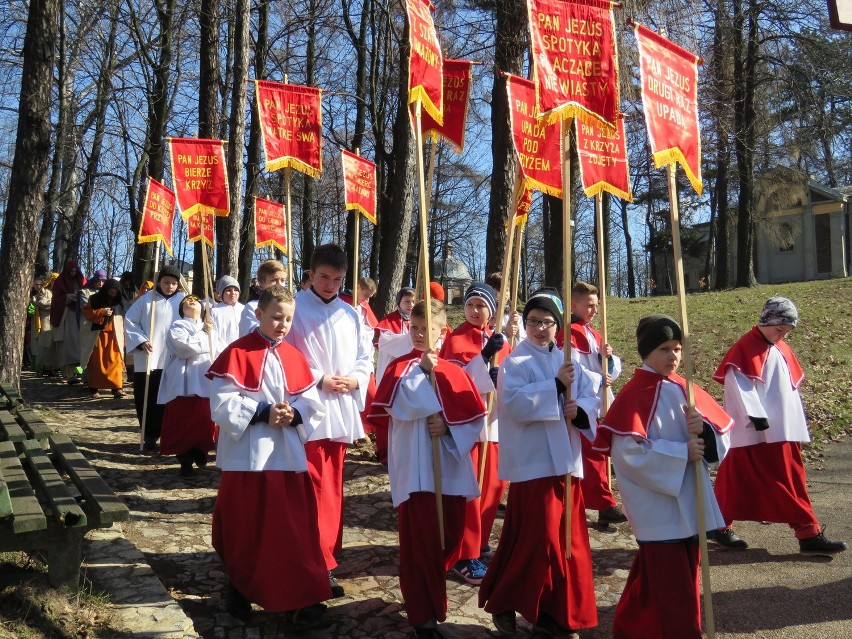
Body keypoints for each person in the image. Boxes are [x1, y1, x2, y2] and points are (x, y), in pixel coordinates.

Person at [594, 314, 733, 639]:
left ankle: (631, 628)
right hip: (658, 507)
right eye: (664, 349)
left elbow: (719, 438)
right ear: (646, 352)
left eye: (677, 348)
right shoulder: (634, 395)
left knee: (665, 577)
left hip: (689, 500)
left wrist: (706, 435)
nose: (673, 356)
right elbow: (629, 457)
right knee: (674, 589)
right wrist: (683, 452)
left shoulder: (685, 388)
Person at [207, 285, 332, 631]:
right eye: (276, 317)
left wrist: (294, 414)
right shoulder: (237, 353)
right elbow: (221, 403)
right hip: (247, 460)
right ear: (259, 314)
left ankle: (297, 595)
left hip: (286, 457)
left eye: (289, 319)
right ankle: (240, 587)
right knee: (244, 528)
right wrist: (262, 412)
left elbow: (312, 402)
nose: (283, 324)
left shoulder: (295, 356)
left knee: (290, 531)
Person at [479, 288, 600, 639]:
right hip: (534, 464)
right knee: (540, 539)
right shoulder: (516, 361)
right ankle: (506, 597)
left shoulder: (569, 358)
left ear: (557, 325)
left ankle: (556, 615)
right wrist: (556, 387)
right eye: (533, 321)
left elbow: (596, 394)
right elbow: (513, 403)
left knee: (569, 544)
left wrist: (581, 412)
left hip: (566, 462)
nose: (540, 328)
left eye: (547, 322)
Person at [369, 299, 487, 639]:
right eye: (416, 328)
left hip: (448, 468)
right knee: (420, 544)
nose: (421, 335)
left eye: (429, 329)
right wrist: (421, 374)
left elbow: (473, 417)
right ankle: (423, 614)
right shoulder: (398, 368)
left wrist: (449, 427)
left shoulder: (453, 370)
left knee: (449, 536)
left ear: (442, 332)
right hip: (415, 472)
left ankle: (430, 592)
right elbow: (397, 406)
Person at [712, 297, 846, 555]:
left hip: (780, 430)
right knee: (761, 481)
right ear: (766, 321)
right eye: (779, 329)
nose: (782, 335)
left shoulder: (780, 346)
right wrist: (755, 416)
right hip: (756, 432)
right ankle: (807, 533)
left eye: (786, 331)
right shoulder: (745, 347)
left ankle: (719, 525)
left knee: (766, 480)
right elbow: (737, 383)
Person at [285, 243, 373, 596]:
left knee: (333, 488)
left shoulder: (350, 314)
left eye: (337, 279)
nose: (330, 285)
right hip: (308, 406)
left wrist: (357, 379)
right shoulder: (294, 308)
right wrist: (318, 376)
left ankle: (327, 556)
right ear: (310, 273)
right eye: (323, 277)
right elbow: (286, 352)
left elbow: (365, 356)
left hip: (340, 408)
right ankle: (313, 560)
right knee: (311, 489)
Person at [439, 283, 509, 585]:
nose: (475, 310)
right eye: (471, 305)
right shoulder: (456, 339)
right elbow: (453, 379)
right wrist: (483, 361)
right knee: (470, 490)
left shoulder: (501, 340)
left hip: (494, 425)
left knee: (492, 488)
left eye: (482, 305)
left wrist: (499, 377)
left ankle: (479, 541)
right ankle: (465, 554)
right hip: (469, 425)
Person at [569, 281, 627, 526]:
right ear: (574, 305)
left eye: (596, 306)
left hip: (598, 400)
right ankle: (600, 502)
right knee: (589, 454)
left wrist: (609, 358)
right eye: (589, 305)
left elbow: (610, 370)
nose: (593, 310)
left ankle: (603, 501)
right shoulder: (568, 332)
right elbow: (573, 369)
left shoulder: (593, 332)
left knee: (600, 453)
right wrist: (597, 378)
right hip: (582, 401)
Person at [124, 265, 186, 451]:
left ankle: (170, 435)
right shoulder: (145, 301)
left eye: (174, 283)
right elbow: (130, 321)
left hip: (173, 359)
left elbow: (194, 321)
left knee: (171, 400)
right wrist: (141, 341)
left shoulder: (183, 302)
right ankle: (149, 434)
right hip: (149, 358)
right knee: (147, 398)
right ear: (159, 281)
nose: (170, 286)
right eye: (166, 282)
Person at [158, 295, 221, 477]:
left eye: (195, 300)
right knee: (182, 421)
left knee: (204, 419)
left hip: (204, 381)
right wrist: (205, 335)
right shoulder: (177, 326)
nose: (192, 301)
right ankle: (185, 459)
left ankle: (199, 451)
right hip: (183, 382)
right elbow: (184, 348)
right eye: (187, 301)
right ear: (182, 309)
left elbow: (218, 350)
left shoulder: (210, 329)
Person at [340, 277, 381, 459]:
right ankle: (350, 431)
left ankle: (366, 428)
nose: (367, 300)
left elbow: (373, 328)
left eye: (370, 297)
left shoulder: (363, 306)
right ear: (357, 287)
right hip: (345, 356)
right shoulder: (341, 302)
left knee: (369, 393)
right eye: (365, 294)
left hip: (363, 358)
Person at [82, 279, 127, 399]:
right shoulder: (95, 299)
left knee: (116, 362)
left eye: (115, 292)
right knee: (96, 363)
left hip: (115, 336)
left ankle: (117, 387)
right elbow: (87, 313)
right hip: (98, 335)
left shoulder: (121, 302)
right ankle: (93, 388)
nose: (112, 295)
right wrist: (102, 311)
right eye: (110, 292)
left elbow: (126, 318)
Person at [50, 259, 87, 384]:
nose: (73, 273)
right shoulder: (60, 281)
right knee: (67, 345)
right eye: (71, 271)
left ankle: (76, 373)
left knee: (78, 345)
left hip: (79, 315)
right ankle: (67, 374)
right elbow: (56, 299)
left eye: (75, 271)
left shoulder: (80, 280)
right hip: (66, 316)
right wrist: (67, 297)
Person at [239, 260, 287, 336]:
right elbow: (252, 333)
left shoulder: (289, 307)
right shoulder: (252, 307)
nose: (279, 284)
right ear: (261, 282)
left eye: (283, 280)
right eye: (274, 280)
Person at [33, 273, 60, 375]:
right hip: (46, 322)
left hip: (57, 323)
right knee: (44, 345)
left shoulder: (60, 293)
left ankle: (52, 368)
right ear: (50, 281)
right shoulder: (44, 291)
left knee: (54, 346)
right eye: (54, 280)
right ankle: (41, 367)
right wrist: (56, 302)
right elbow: (42, 303)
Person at [210, 275, 244, 346]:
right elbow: (213, 335)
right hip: (223, 351)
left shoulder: (244, 309)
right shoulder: (214, 311)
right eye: (228, 290)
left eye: (236, 290)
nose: (233, 293)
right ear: (222, 293)